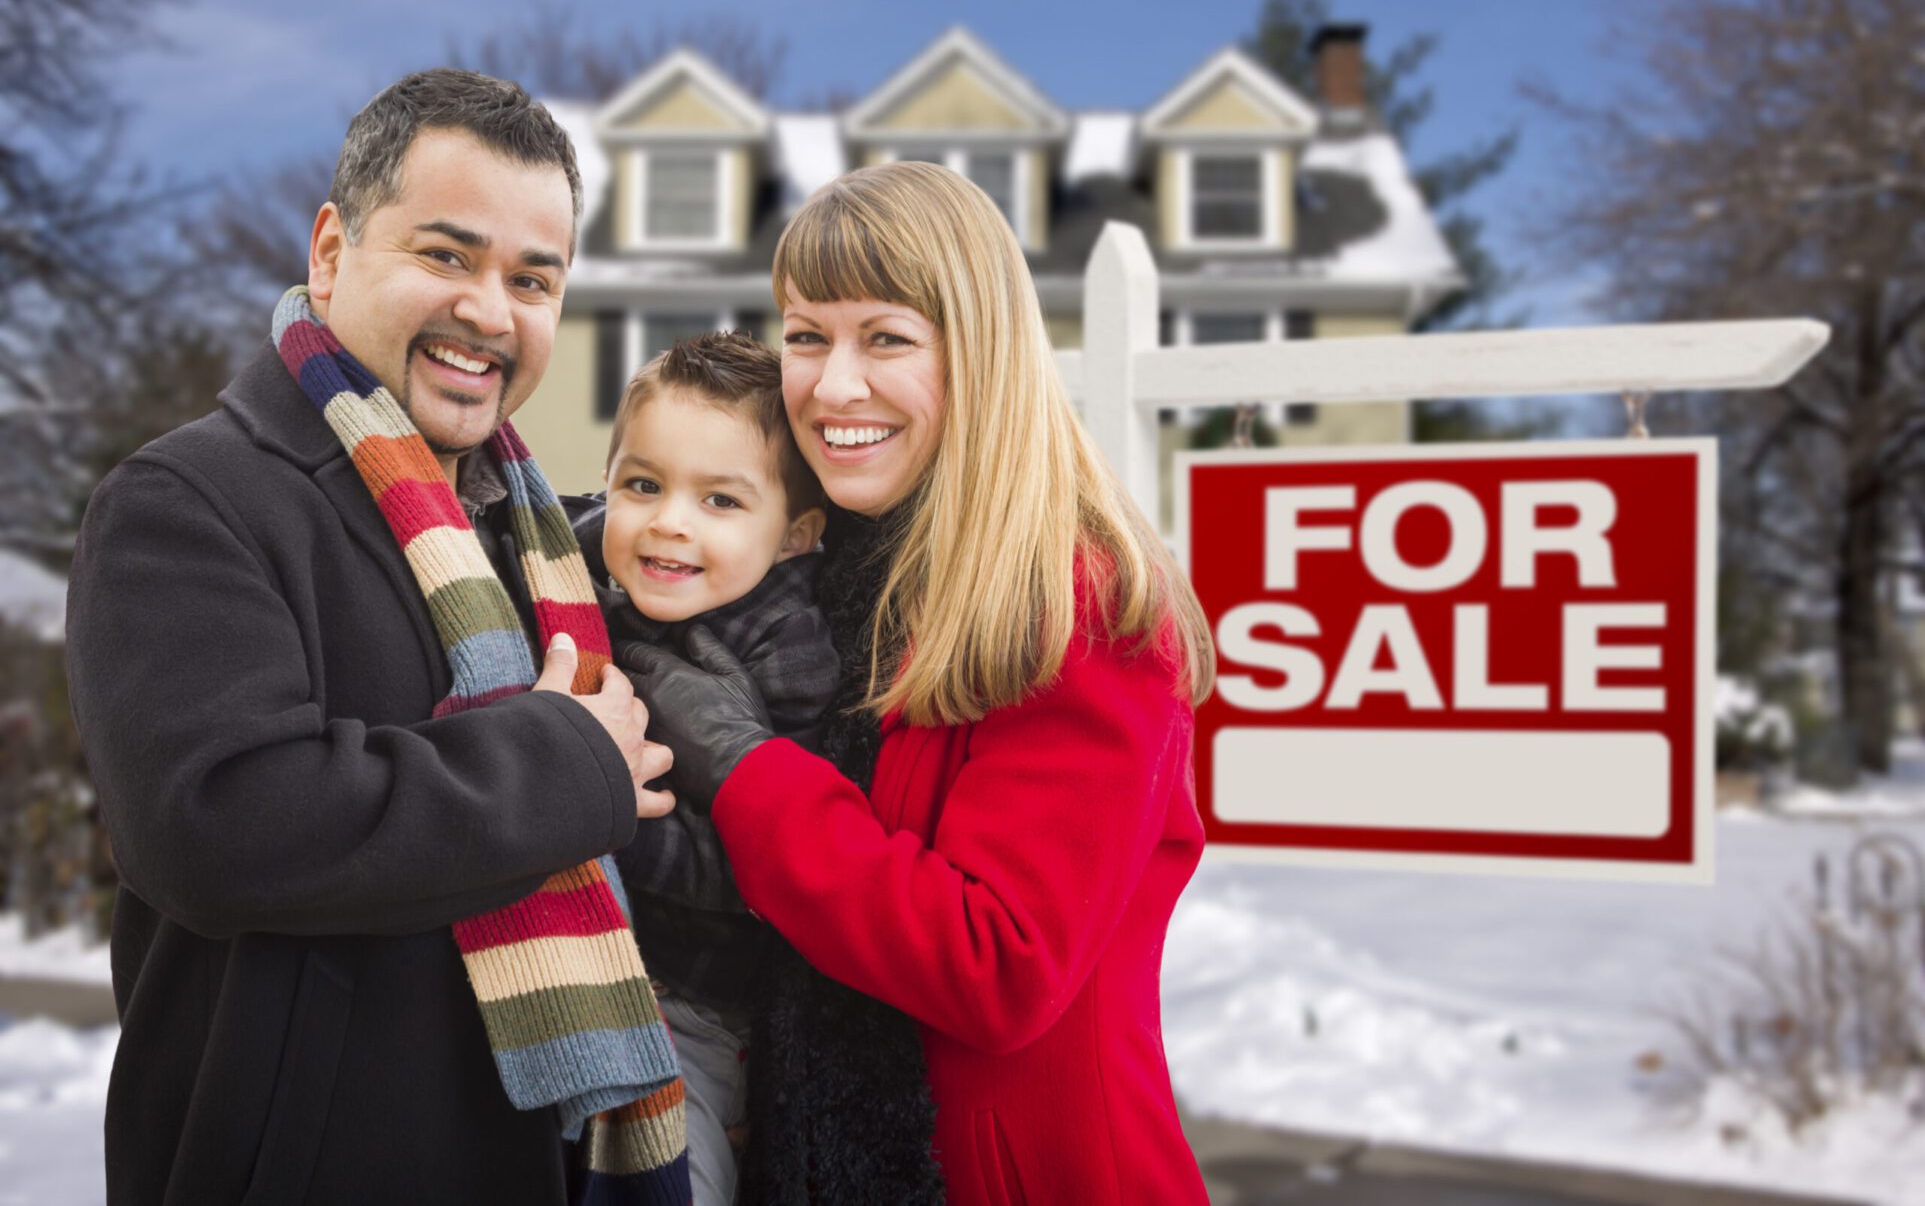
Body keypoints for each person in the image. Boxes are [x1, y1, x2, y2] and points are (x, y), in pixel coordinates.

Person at [65, 69, 693, 1205]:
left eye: (531, 278)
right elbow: (217, 824)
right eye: (445, 256)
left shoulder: (543, 538)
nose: (490, 312)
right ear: (330, 251)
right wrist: (563, 758)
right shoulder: (186, 501)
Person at [630, 160, 1218, 1205]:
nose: (832, 384)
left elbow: (998, 963)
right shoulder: (839, 569)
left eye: (885, 337)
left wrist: (742, 763)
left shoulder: (1076, 603)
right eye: (806, 335)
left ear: (977, 353)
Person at [564, 331, 835, 1205]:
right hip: (575, 970)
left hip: (698, 1003)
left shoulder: (787, 650)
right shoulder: (571, 582)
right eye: (643, 484)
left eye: (720, 500)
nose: (669, 520)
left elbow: (762, 869)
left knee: (667, 1175)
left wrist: (608, 820)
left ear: (794, 534)